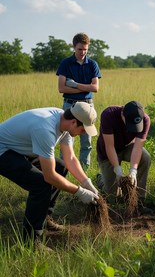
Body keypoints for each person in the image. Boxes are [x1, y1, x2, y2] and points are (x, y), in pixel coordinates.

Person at [0, 102, 99, 242]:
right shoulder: (45, 128)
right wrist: (80, 192)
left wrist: (86, 183)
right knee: (41, 184)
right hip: (3, 150)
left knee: (61, 167)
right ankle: (31, 240)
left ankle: (45, 217)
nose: (83, 134)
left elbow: (70, 157)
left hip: (20, 149)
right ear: (73, 122)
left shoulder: (64, 123)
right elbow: (50, 176)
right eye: (83, 130)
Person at [96, 101, 152, 214]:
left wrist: (133, 170)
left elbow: (138, 147)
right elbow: (109, 146)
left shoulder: (145, 120)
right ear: (122, 114)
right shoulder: (108, 115)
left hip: (127, 147)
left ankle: (139, 202)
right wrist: (117, 169)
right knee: (113, 196)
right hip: (108, 152)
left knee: (145, 157)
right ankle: (100, 180)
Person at [56, 33, 102, 168]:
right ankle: (62, 169)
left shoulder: (93, 64)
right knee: (64, 139)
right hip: (69, 104)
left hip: (88, 105)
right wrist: (85, 88)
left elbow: (95, 88)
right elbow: (61, 88)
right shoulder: (65, 63)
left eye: (86, 49)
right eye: (80, 49)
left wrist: (75, 85)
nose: (83, 52)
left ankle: (84, 171)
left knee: (86, 142)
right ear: (74, 47)